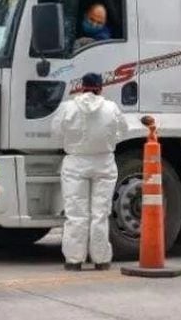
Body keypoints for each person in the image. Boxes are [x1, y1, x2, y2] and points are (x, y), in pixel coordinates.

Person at [51, 72, 127, 271]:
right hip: (104, 162)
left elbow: (56, 133)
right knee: (100, 213)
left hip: (75, 163)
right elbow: (123, 131)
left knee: (76, 214)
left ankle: (74, 260)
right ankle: (101, 259)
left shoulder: (68, 107)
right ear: (101, 88)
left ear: (81, 87)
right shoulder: (111, 108)